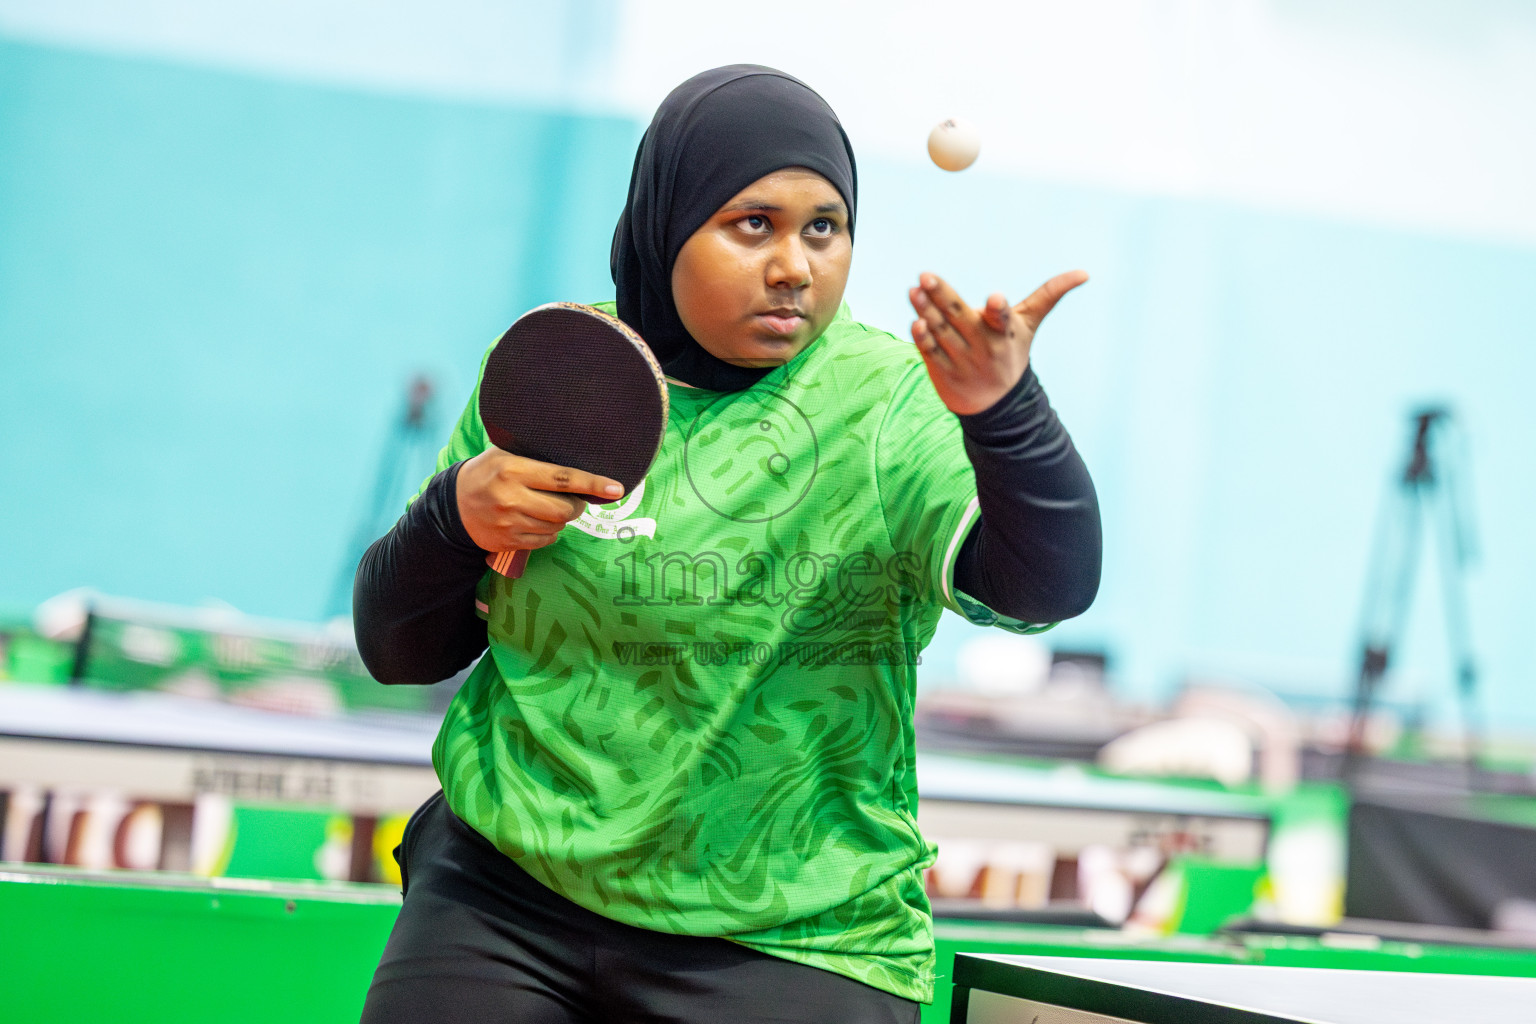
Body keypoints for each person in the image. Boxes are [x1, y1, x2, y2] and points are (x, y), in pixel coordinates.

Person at [353, 65, 1101, 1024]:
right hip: (508, 897)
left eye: (823, 229)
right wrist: (452, 516)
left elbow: (1049, 585)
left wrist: (1007, 416)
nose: (795, 265)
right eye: (755, 226)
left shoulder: (887, 405)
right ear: (669, 226)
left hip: (792, 935)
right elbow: (399, 649)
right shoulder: (565, 370)